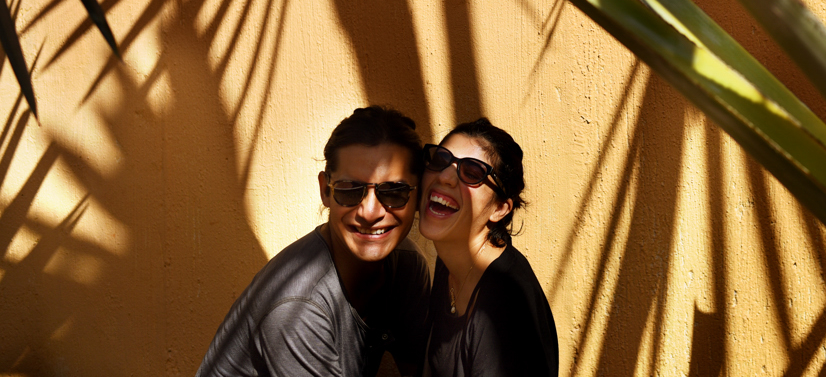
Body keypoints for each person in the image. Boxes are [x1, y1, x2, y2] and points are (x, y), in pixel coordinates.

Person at [196, 106, 431, 377]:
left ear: (418, 195)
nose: (370, 212)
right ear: (325, 190)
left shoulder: (406, 266)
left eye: (393, 192)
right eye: (350, 190)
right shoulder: (298, 308)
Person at [420, 118, 558, 377]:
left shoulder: (503, 306)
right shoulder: (451, 259)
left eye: (472, 173)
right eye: (440, 160)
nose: (445, 176)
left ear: (499, 208)